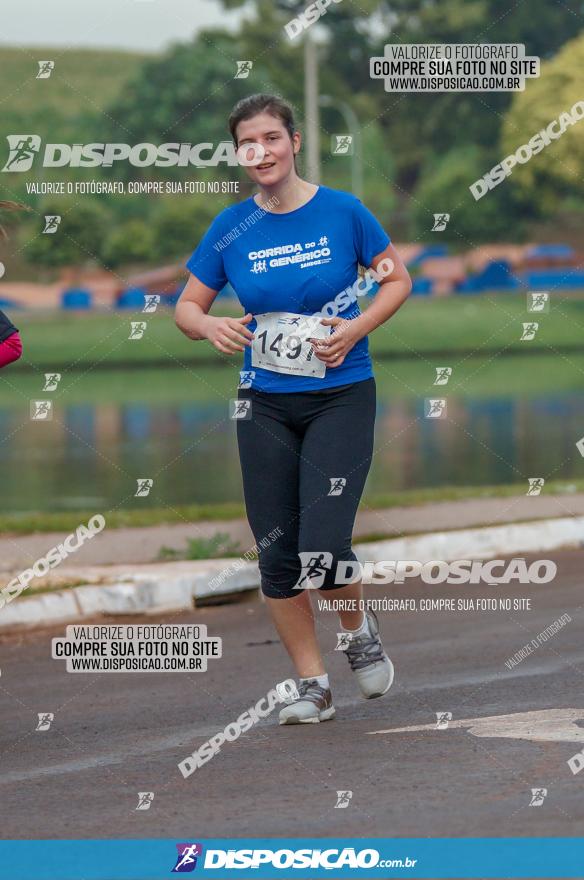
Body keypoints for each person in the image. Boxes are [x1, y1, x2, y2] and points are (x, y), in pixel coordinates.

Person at [175, 93, 412, 724]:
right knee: (277, 552)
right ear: (238, 154)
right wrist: (208, 327)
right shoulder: (231, 227)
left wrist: (355, 328)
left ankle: (358, 632)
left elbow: (397, 279)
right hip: (264, 405)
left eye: (272, 138)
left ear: (295, 141)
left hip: (340, 395)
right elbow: (186, 306)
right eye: (248, 143)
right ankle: (313, 684)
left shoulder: (344, 211)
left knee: (325, 544)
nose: (262, 152)